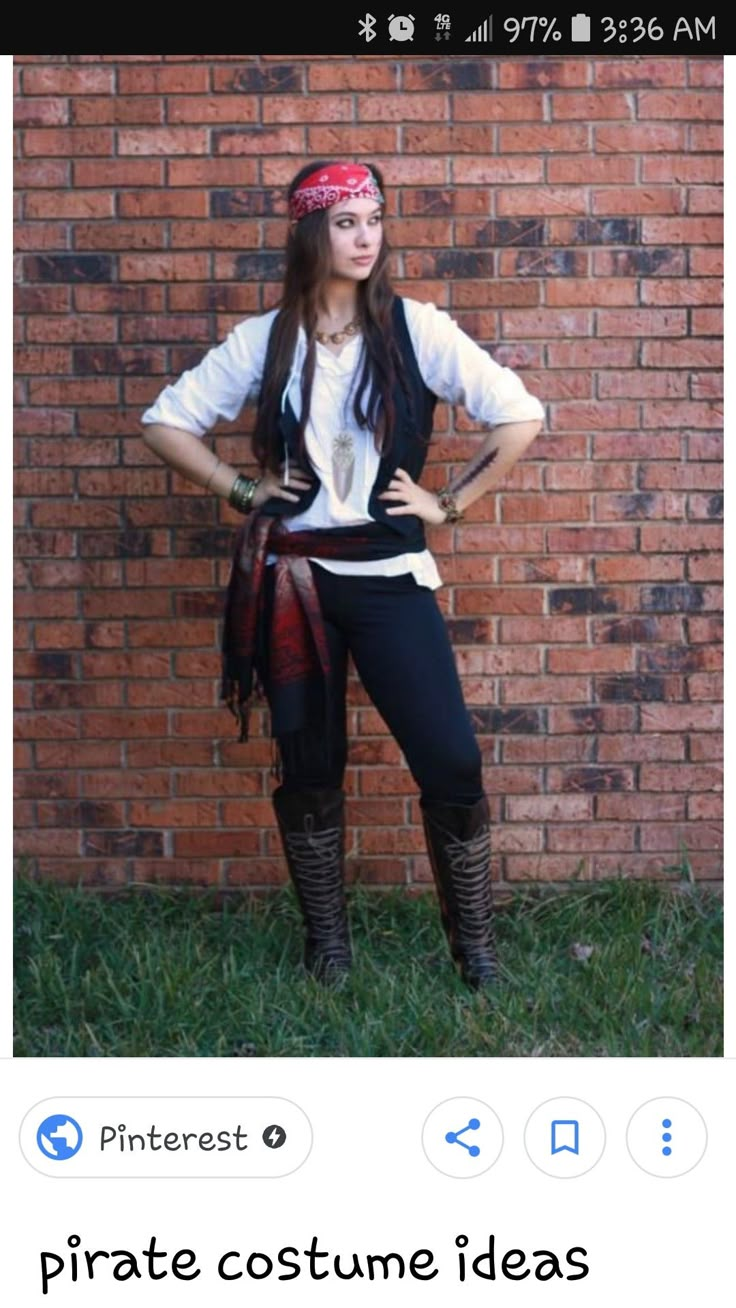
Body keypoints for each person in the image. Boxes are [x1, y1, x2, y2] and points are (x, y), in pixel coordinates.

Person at [140, 160, 544, 991]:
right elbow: (166, 422)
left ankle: (476, 951)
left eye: (374, 219)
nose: (366, 237)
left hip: (390, 576)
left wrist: (450, 505)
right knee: (312, 766)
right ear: (309, 232)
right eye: (346, 221)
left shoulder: (416, 329)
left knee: (451, 759)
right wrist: (243, 490)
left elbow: (519, 414)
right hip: (296, 585)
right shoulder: (266, 340)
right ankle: (327, 944)